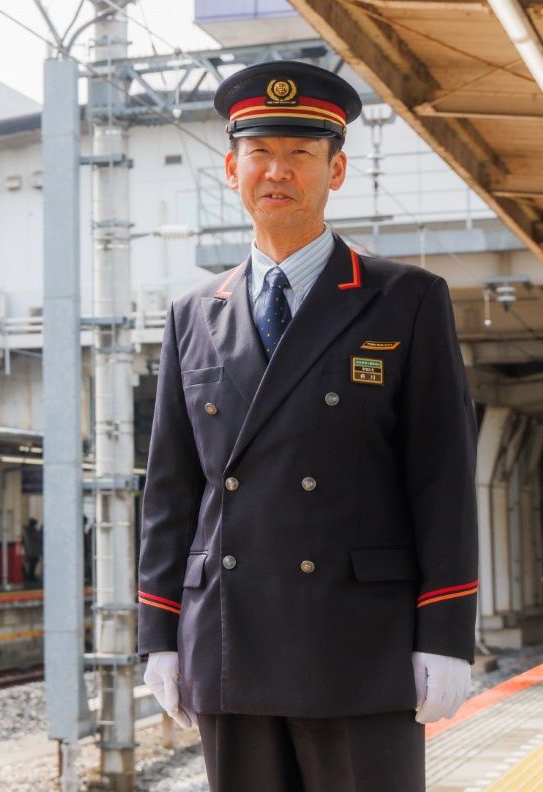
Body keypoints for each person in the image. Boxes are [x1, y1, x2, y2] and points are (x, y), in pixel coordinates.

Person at [137, 61, 479, 792]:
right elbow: (170, 492)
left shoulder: (404, 300)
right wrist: (158, 635)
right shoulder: (192, 315)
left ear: (337, 169)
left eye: (300, 155)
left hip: (359, 643)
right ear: (232, 169)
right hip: (230, 639)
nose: (277, 172)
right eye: (259, 154)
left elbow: (442, 479)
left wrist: (446, 633)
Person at [22, 518, 43, 583]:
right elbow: (39, 538)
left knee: (32, 563)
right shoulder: (32, 531)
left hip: (30, 549)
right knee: (33, 563)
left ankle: (30, 576)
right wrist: (41, 531)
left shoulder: (27, 530)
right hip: (34, 550)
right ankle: (31, 576)